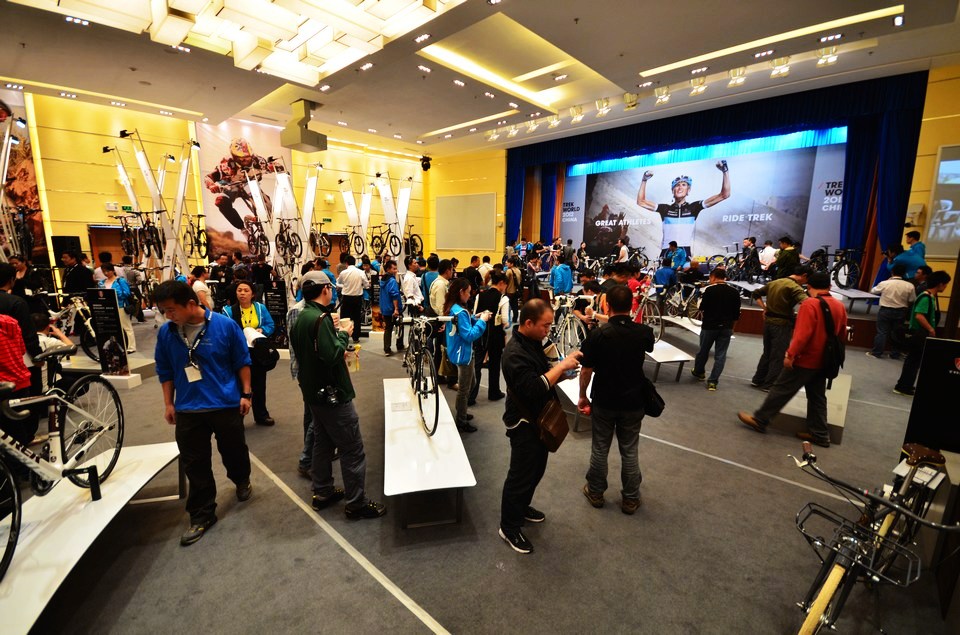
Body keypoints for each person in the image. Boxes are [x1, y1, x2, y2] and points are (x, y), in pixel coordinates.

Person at [153, 280, 253, 546]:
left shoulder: (225, 326)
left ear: (190, 303)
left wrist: (246, 394)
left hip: (225, 404)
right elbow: (165, 370)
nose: (168, 316)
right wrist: (169, 404)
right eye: (164, 311)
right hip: (188, 408)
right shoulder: (167, 334)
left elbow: (242, 361)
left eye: (171, 310)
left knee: (234, 451)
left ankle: (241, 479)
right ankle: (202, 514)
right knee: (194, 464)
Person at [290, 272, 386, 520]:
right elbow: (332, 355)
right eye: (331, 288)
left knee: (322, 443)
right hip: (333, 394)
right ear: (325, 289)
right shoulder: (319, 319)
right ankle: (356, 503)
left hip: (314, 393)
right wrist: (344, 333)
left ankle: (322, 491)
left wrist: (335, 341)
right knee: (352, 448)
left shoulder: (301, 317)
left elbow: (312, 354)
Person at [499, 299, 582, 554]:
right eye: (545, 326)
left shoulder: (533, 342)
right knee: (521, 476)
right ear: (528, 323)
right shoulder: (514, 354)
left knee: (535, 471)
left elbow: (544, 374)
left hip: (539, 419)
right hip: (523, 423)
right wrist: (562, 367)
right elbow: (534, 388)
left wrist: (563, 372)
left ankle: (521, 507)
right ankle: (509, 527)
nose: (548, 330)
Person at [738, 272, 847, 448]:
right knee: (817, 397)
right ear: (830, 286)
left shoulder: (809, 304)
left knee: (781, 389)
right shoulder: (839, 306)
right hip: (825, 360)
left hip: (806, 358)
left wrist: (790, 354)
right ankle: (820, 434)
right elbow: (841, 335)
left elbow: (802, 334)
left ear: (808, 286)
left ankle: (760, 420)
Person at [578, 284, 655, 514]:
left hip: (604, 399)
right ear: (631, 305)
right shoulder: (644, 332)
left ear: (607, 305)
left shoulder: (597, 335)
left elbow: (586, 370)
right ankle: (630, 498)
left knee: (600, 448)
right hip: (634, 400)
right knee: (630, 449)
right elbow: (646, 345)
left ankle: (595, 492)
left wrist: (582, 396)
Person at [636, 160, 731, 256]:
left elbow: (724, 194)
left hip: (685, 252)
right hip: (666, 252)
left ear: (688, 190)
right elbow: (641, 202)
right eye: (677, 185)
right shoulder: (664, 208)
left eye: (684, 185)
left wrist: (725, 171)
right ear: (673, 191)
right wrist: (644, 180)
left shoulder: (694, 207)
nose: (680, 187)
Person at [222, 281, 276, 426]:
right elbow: (224, 331)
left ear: (252, 294)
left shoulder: (260, 308)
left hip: (257, 351)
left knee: (259, 385)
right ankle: (237, 418)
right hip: (238, 352)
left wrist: (262, 330)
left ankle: (261, 415)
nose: (242, 293)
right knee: (238, 385)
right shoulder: (228, 311)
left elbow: (270, 325)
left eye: (246, 290)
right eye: (239, 290)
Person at [749, 266, 811, 390]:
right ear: (804, 275)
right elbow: (808, 303)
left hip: (768, 323)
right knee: (778, 355)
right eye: (807, 280)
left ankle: (758, 379)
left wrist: (765, 308)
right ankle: (769, 384)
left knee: (767, 352)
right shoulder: (795, 287)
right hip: (782, 325)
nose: (806, 283)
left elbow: (756, 293)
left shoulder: (775, 282)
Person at [894, 270, 951, 396]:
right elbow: (919, 315)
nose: (946, 287)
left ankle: (907, 384)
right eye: (946, 284)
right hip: (918, 333)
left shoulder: (931, 297)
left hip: (920, 333)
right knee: (912, 361)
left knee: (915, 361)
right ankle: (903, 386)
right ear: (940, 284)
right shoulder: (926, 297)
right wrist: (931, 329)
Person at [444, 278, 489, 431]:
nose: (470, 295)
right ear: (461, 292)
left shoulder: (454, 308)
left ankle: (461, 411)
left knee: (471, 383)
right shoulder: (460, 311)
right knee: (464, 389)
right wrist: (482, 321)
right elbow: (469, 335)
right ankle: (461, 420)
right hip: (464, 354)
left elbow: (464, 325)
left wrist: (476, 317)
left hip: (460, 352)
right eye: (468, 292)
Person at [203, 138, 277, 230]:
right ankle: (242, 229)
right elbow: (209, 177)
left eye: (248, 157)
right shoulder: (226, 164)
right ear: (234, 157)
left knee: (264, 201)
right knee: (221, 201)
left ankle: (263, 221)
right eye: (241, 159)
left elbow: (269, 168)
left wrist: (274, 167)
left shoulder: (258, 161)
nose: (245, 160)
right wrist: (211, 185)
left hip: (250, 185)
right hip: (232, 186)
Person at [690, 268, 741, 390]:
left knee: (703, 351)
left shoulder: (709, 290)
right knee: (721, 355)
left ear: (713, 277)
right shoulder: (734, 292)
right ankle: (713, 382)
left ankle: (699, 372)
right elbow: (736, 314)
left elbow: (701, 307)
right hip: (726, 327)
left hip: (709, 326)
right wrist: (732, 328)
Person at [470, 270, 509, 405]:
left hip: (480, 333)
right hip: (496, 335)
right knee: (494, 364)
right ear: (501, 283)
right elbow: (505, 320)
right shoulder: (503, 299)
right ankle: (494, 392)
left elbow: (475, 314)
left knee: (477, 364)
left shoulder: (480, 295)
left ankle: (471, 395)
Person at [868, 263, 916, 359]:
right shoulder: (910, 286)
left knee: (882, 332)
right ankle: (895, 354)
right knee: (897, 332)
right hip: (901, 311)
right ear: (904, 273)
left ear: (892, 272)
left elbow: (873, 291)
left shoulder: (885, 283)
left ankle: (877, 352)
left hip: (885, 310)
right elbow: (912, 299)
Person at [98, 263, 136, 353]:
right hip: (108, 307)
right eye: (104, 271)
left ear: (112, 270)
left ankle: (131, 347)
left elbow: (127, 293)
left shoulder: (120, 281)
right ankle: (117, 346)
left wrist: (115, 293)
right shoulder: (102, 283)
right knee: (113, 328)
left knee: (126, 327)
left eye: (108, 271)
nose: (106, 273)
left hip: (120, 306)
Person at [338, 255, 368, 343]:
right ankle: (356, 337)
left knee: (344, 318)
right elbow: (366, 284)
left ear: (346, 263)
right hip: (357, 298)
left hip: (346, 298)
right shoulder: (361, 272)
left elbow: (339, 282)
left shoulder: (343, 273)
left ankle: (344, 337)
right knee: (357, 318)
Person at [379, 260, 402, 357]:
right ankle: (399, 345)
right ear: (388, 269)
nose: (396, 270)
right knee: (400, 326)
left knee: (388, 329)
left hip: (385, 309)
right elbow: (394, 295)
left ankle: (387, 349)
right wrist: (396, 308)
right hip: (392, 309)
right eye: (394, 269)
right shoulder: (392, 281)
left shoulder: (383, 280)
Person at [505, 256, 523, 322]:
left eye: (508, 263)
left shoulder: (509, 271)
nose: (506, 264)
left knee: (507, 306)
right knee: (515, 305)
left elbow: (506, 281)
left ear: (512, 264)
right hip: (516, 291)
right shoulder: (518, 271)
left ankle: (507, 319)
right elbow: (520, 281)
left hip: (509, 291)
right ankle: (515, 319)